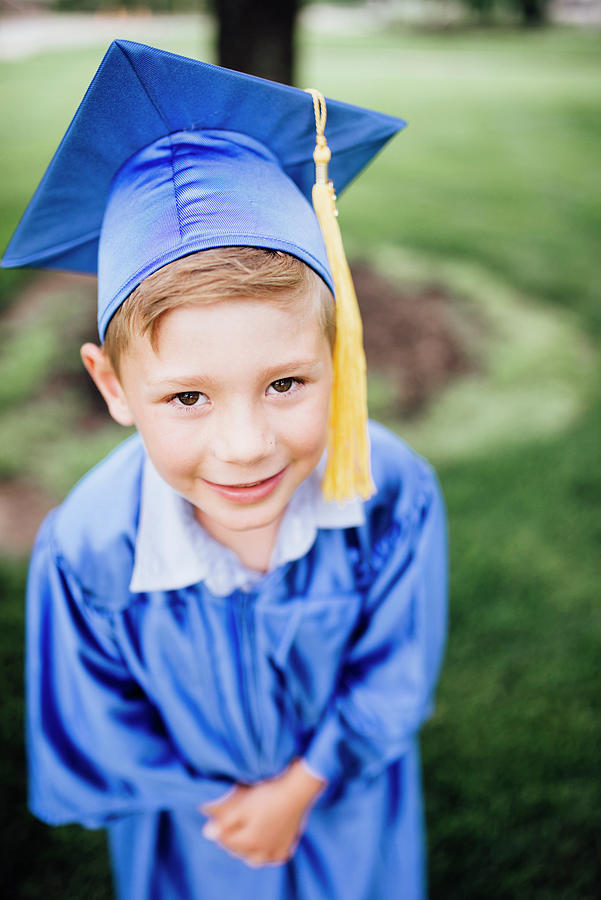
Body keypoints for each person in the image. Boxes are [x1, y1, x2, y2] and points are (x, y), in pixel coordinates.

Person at [3, 40, 448, 900]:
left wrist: (302, 786)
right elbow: (97, 735)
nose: (244, 445)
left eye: (285, 383)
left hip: (346, 813)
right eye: (187, 398)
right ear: (113, 385)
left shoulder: (389, 492)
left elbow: (397, 669)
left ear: (338, 355)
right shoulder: (89, 551)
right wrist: (231, 806)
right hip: (199, 840)